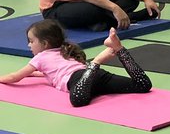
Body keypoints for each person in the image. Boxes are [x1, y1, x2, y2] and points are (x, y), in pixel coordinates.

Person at [0, 20, 152, 106]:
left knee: (78, 100)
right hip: (93, 77)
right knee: (142, 85)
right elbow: (50, 72)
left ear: (45, 44)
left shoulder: (39, 58)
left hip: (81, 80)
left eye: (31, 41)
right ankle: (119, 49)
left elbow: (15, 77)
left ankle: (97, 61)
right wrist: (34, 74)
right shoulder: (65, 51)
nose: (29, 45)